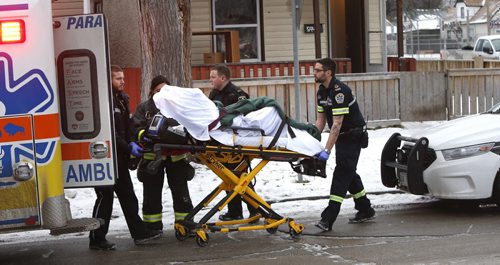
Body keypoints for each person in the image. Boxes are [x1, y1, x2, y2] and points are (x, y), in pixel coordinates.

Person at [89, 65, 161, 250]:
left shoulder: (121, 99)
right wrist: (128, 145)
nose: (122, 81)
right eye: (118, 78)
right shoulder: (104, 101)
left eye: (122, 78)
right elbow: (110, 132)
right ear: (109, 80)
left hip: (119, 158)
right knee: (105, 198)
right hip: (105, 158)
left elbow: (127, 126)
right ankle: (96, 238)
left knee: (128, 197)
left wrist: (136, 139)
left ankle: (140, 234)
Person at [313, 58, 375, 231]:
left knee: (342, 174)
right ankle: (365, 208)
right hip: (341, 136)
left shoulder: (340, 92)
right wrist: (311, 142)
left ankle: (328, 218)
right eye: (315, 70)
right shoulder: (321, 92)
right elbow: (320, 121)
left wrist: (327, 150)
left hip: (353, 136)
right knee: (348, 171)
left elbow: (336, 124)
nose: (314, 73)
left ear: (328, 72)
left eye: (318, 70)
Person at [131, 75, 194, 231]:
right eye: (158, 90)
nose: (161, 93)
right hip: (152, 157)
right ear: (152, 91)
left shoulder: (177, 106)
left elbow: (188, 127)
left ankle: (185, 224)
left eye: (165, 89)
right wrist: (144, 134)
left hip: (176, 157)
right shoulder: (144, 108)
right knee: (151, 194)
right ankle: (152, 226)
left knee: (181, 193)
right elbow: (135, 128)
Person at [208, 64, 259, 222]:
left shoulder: (238, 95)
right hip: (222, 143)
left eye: (213, 77)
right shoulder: (214, 94)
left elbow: (248, 118)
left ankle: (255, 210)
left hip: (237, 144)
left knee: (241, 178)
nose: (210, 80)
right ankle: (235, 212)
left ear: (222, 78)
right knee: (229, 179)